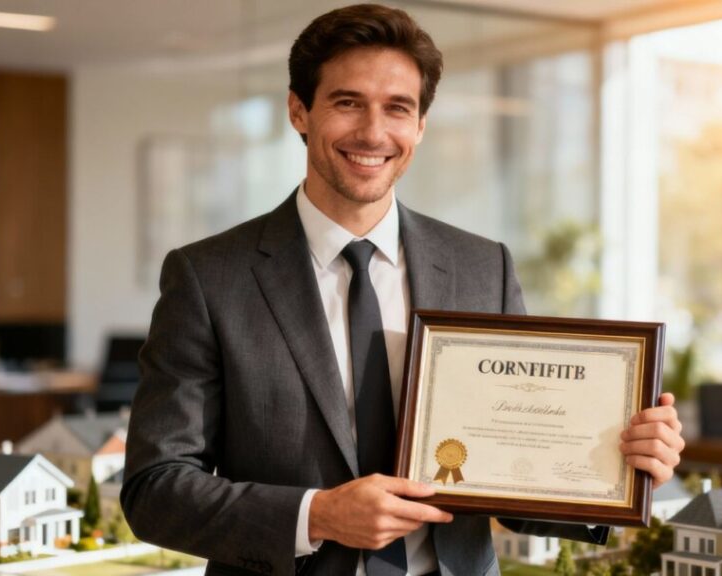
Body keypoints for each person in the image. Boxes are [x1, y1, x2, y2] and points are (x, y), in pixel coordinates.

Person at [121, 4, 685, 576]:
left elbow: (517, 475)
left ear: (419, 126)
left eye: (398, 108)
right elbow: (154, 489)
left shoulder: (482, 268)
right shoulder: (209, 277)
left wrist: (618, 467)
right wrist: (316, 515)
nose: (373, 132)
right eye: (347, 103)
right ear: (298, 110)